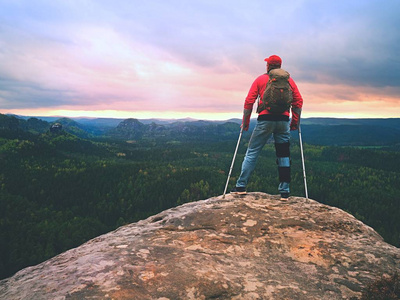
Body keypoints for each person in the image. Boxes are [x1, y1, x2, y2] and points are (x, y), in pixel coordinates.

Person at [231, 55, 303, 200]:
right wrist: (295, 122)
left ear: (268, 66)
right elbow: (298, 101)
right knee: (283, 155)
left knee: (252, 152)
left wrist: (245, 123)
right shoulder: (289, 81)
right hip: (283, 121)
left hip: (265, 120)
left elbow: (249, 101)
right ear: (280, 65)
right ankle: (284, 191)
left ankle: (241, 186)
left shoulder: (260, 80)